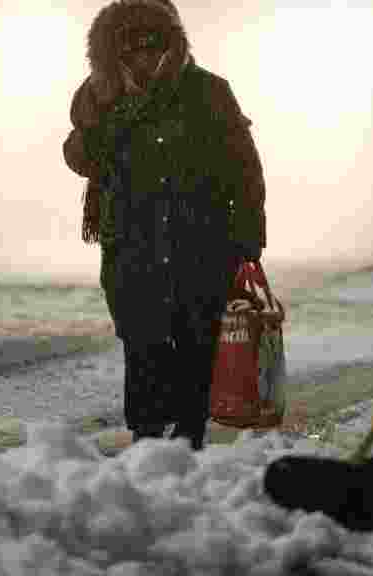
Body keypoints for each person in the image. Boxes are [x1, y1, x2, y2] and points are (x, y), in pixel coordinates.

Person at [62, 0, 266, 450]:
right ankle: (146, 437)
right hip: (131, 245)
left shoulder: (209, 92)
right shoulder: (99, 96)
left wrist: (248, 239)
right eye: (132, 47)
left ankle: (189, 435)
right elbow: (78, 157)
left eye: (153, 44)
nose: (144, 56)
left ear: (169, 44)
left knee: (196, 342)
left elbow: (245, 169)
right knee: (142, 344)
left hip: (201, 241)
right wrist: (103, 121)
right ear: (116, 51)